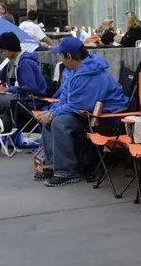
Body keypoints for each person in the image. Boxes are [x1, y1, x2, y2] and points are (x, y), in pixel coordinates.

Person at [32, 37, 129, 187]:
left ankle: (67, 172)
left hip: (105, 118)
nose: (60, 59)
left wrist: (52, 115)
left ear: (69, 56)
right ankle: (53, 165)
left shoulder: (90, 74)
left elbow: (78, 104)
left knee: (58, 122)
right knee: (49, 118)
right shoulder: (78, 70)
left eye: (61, 55)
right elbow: (66, 99)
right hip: (88, 114)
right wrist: (50, 112)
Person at [0, 32, 47, 116]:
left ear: (10, 48)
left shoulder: (25, 63)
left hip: (30, 100)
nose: (3, 53)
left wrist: (8, 90)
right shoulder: (22, 61)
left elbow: (31, 88)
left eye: (4, 50)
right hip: (26, 97)